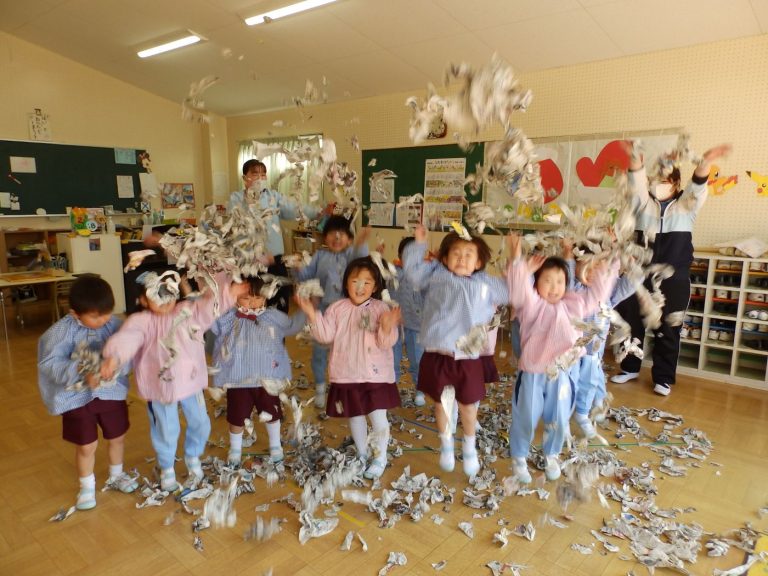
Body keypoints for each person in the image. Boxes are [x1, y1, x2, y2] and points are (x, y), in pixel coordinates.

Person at [101, 270, 246, 492]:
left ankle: (193, 458)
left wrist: (229, 294)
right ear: (142, 299)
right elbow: (127, 339)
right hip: (159, 388)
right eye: (155, 295)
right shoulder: (141, 321)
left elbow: (208, 308)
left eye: (167, 292)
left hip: (191, 384)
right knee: (166, 430)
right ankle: (167, 467)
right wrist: (114, 358)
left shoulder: (188, 311)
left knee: (200, 423)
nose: (163, 299)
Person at [611, 142, 732, 396]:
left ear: (676, 183)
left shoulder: (686, 207)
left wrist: (705, 160)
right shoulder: (643, 204)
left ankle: (663, 377)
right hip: (638, 274)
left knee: (668, 328)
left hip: (673, 277)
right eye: (656, 178)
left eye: (665, 179)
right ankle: (629, 368)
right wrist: (636, 159)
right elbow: (636, 183)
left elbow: (698, 186)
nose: (659, 182)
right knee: (631, 322)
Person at [506, 233, 618, 483]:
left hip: (562, 376)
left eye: (559, 281)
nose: (554, 287)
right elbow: (519, 291)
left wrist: (609, 256)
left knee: (558, 418)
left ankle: (552, 454)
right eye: (547, 280)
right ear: (536, 283)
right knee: (526, 415)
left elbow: (598, 294)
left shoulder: (575, 304)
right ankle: (519, 457)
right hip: (533, 373)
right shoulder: (531, 305)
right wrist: (518, 263)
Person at [402, 224, 508, 477]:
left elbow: (511, 291)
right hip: (439, 353)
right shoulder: (436, 275)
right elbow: (413, 272)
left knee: (469, 405)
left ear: (479, 261)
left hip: (468, 357)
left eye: (468, 254)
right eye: (456, 253)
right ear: (445, 258)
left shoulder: (485, 283)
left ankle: (469, 446)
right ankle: (446, 443)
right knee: (441, 404)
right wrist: (418, 244)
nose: (462, 258)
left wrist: (518, 264)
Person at [295, 257, 401, 479]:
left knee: (378, 418)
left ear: (376, 286)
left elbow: (385, 343)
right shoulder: (337, 308)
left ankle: (380, 457)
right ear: (346, 283)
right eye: (355, 281)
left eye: (367, 282)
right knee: (355, 416)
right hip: (347, 374)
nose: (360, 287)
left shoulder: (381, 308)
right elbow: (324, 335)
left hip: (376, 377)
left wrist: (387, 326)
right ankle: (362, 454)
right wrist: (312, 313)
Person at [37, 275, 138, 510]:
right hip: (75, 398)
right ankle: (86, 486)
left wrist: (116, 365)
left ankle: (116, 475)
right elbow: (49, 364)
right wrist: (81, 370)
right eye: (95, 316)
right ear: (75, 313)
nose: (104, 320)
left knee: (117, 437)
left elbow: (130, 352)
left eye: (107, 313)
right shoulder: (60, 332)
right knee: (86, 445)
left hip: (111, 394)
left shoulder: (115, 325)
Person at [209, 275, 306, 466]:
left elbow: (293, 325)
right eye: (246, 297)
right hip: (238, 379)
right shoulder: (228, 317)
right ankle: (235, 449)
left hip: (267, 380)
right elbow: (211, 323)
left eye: (258, 297)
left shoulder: (273, 316)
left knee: (272, 414)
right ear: (235, 297)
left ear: (267, 296)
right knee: (237, 417)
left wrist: (305, 307)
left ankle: (275, 445)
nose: (253, 302)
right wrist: (218, 298)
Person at [295, 215, 370, 408]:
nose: (336, 238)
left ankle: (346, 385)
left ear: (350, 239)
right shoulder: (320, 255)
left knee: (346, 351)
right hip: (324, 310)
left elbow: (361, 260)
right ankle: (320, 386)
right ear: (324, 238)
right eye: (331, 234)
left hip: (348, 313)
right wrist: (297, 267)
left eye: (342, 235)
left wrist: (361, 242)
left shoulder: (350, 255)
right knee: (320, 350)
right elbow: (307, 275)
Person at [228, 159, 320, 313]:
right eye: (255, 174)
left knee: (278, 304)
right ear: (245, 178)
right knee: (251, 303)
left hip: (275, 261)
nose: (260, 178)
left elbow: (295, 209)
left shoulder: (273, 196)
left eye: (263, 174)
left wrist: (318, 211)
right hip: (249, 262)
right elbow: (237, 220)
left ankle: (277, 336)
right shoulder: (236, 198)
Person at [568, 252, 636, 443]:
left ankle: (583, 412)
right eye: (585, 265)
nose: (591, 271)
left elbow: (628, 284)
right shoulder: (573, 289)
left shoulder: (606, 296)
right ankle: (564, 418)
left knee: (589, 382)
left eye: (597, 267)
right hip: (570, 352)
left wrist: (629, 264)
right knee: (570, 384)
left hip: (592, 354)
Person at [390, 236, 426, 406]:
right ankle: (391, 388)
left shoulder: (424, 276)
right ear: (400, 255)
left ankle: (419, 390)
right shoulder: (393, 272)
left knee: (418, 360)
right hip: (394, 325)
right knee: (392, 359)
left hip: (416, 326)